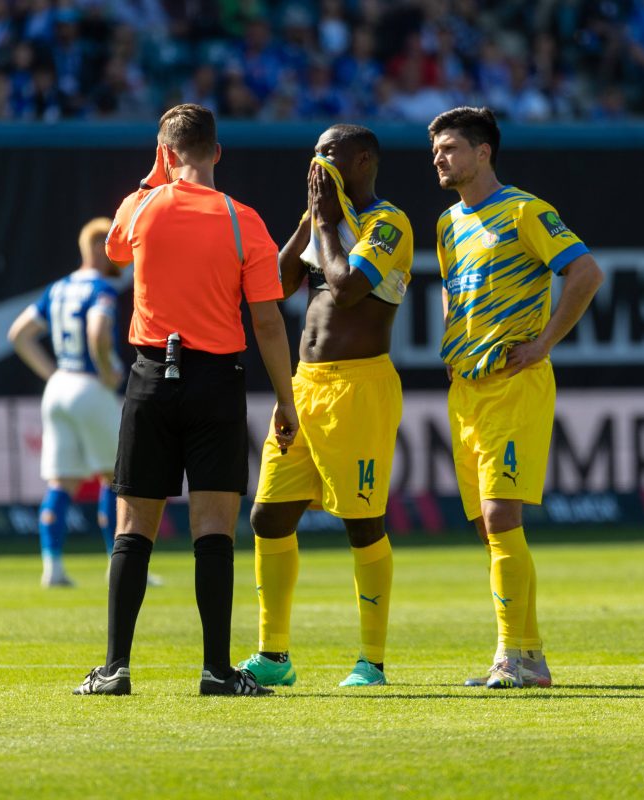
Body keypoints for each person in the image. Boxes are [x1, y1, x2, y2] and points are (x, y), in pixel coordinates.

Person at [73, 103, 298, 698]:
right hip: (217, 381)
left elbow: (116, 249)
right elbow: (269, 323)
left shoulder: (142, 205)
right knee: (214, 530)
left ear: (165, 153)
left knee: (133, 529)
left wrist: (155, 176)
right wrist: (287, 400)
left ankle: (115, 669)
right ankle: (217, 671)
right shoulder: (242, 220)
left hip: (150, 378)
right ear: (218, 152)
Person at [428, 106, 604, 689]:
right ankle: (531, 657)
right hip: (466, 387)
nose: (439, 158)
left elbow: (585, 273)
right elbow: (456, 292)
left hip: (513, 382)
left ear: (483, 152)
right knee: (487, 526)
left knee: (503, 516)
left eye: (450, 148)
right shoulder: (448, 224)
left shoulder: (526, 210)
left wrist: (545, 342)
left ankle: (511, 656)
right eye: (436, 150)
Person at [237, 124, 414, 689]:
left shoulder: (389, 224)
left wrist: (324, 222)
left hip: (360, 388)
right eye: (316, 151)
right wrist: (306, 220)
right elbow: (277, 283)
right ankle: (274, 655)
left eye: (331, 151)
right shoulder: (324, 222)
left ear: (362, 161)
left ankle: (372, 660)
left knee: (361, 522)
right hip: (306, 385)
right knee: (269, 513)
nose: (319, 159)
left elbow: (345, 288)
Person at [7, 217, 125, 588]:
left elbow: (19, 335)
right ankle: (117, 565)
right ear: (98, 247)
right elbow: (98, 331)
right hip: (89, 386)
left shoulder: (57, 289)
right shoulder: (101, 290)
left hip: (58, 388)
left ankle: (52, 569)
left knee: (62, 482)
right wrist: (106, 368)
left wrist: (53, 374)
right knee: (116, 477)